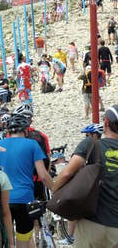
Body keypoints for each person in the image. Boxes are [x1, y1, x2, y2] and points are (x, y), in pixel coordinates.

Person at [51, 106, 118, 247]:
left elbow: (67, 173)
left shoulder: (91, 144)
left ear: (105, 123)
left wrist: (54, 190)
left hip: (91, 222)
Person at [0, 114, 52, 248]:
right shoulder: (32, 144)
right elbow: (43, 175)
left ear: (8, 131)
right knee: (23, 239)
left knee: (6, 241)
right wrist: (56, 189)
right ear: (26, 130)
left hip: (3, 199)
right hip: (24, 198)